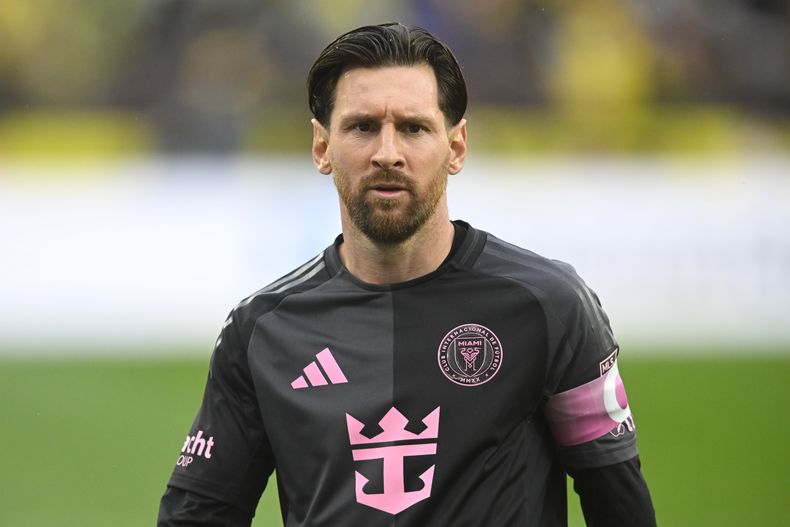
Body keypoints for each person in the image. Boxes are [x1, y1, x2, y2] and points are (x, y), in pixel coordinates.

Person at [158, 22, 657, 526]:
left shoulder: (550, 306)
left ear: (456, 146)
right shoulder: (261, 331)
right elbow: (198, 515)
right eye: (362, 127)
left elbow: (618, 504)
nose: (387, 153)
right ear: (322, 146)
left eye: (414, 128)